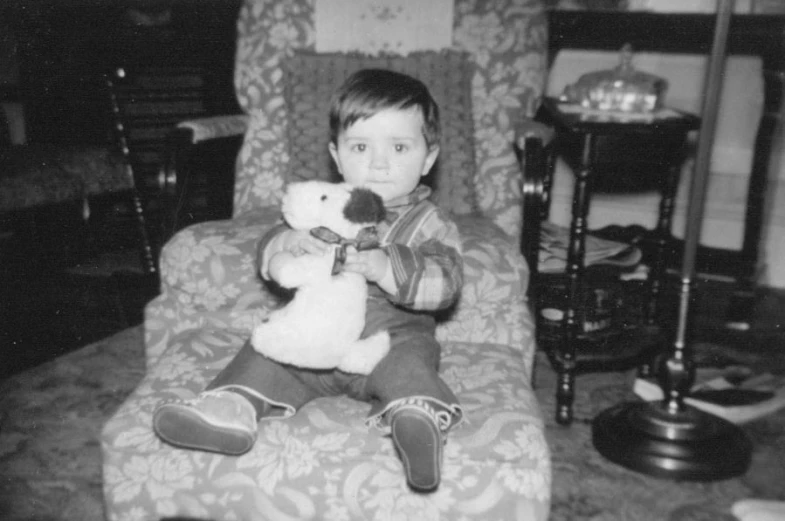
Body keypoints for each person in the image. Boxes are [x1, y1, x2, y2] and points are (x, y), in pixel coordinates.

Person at [152, 69, 464, 492]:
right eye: (360, 146)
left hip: (388, 338)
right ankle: (231, 409)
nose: (379, 161)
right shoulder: (322, 204)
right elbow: (275, 238)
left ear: (428, 158)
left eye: (399, 146)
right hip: (314, 337)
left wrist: (386, 268)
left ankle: (416, 420)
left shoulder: (431, 224)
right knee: (267, 348)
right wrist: (286, 248)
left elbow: (446, 283)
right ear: (336, 156)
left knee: (411, 364)